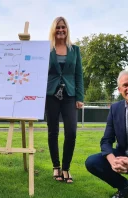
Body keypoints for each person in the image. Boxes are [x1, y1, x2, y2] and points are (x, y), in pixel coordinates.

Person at [85, 69, 128, 198]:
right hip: (124, 158)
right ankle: (125, 186)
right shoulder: (115, 109)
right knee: (92, 162)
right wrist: (113, 161)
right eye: (125, 85)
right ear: (119, 90)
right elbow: (106, 141)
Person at [46, 17, 84, 183]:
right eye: (58, 27)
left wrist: (80, 97)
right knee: (52, 132)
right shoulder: (47, 50)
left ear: (67, 30)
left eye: (63, 27)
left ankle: (66, 168)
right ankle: (56, 167)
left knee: (71, 132)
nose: (61, 30)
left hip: (70, 95)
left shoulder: (75, 50)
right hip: (51, 94)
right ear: (53, 30)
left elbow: (79, 75)